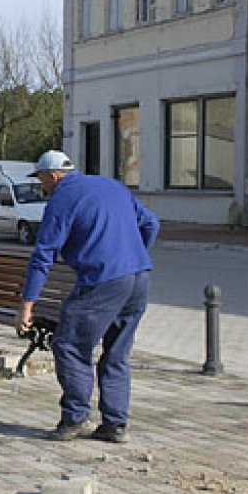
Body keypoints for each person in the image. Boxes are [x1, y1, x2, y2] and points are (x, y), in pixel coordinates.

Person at [14, 151, 159, 443]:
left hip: (103, 281)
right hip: (139, 277)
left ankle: (76, 418)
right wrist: (133, 256)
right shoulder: (112, 185)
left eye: (41, 179)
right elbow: (151, 224)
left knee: (69, 344)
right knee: (117, 352)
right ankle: (115, 424)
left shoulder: (62, 199)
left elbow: (44, 255)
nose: (42, 185)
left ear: (53, 176)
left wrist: (27, 305)